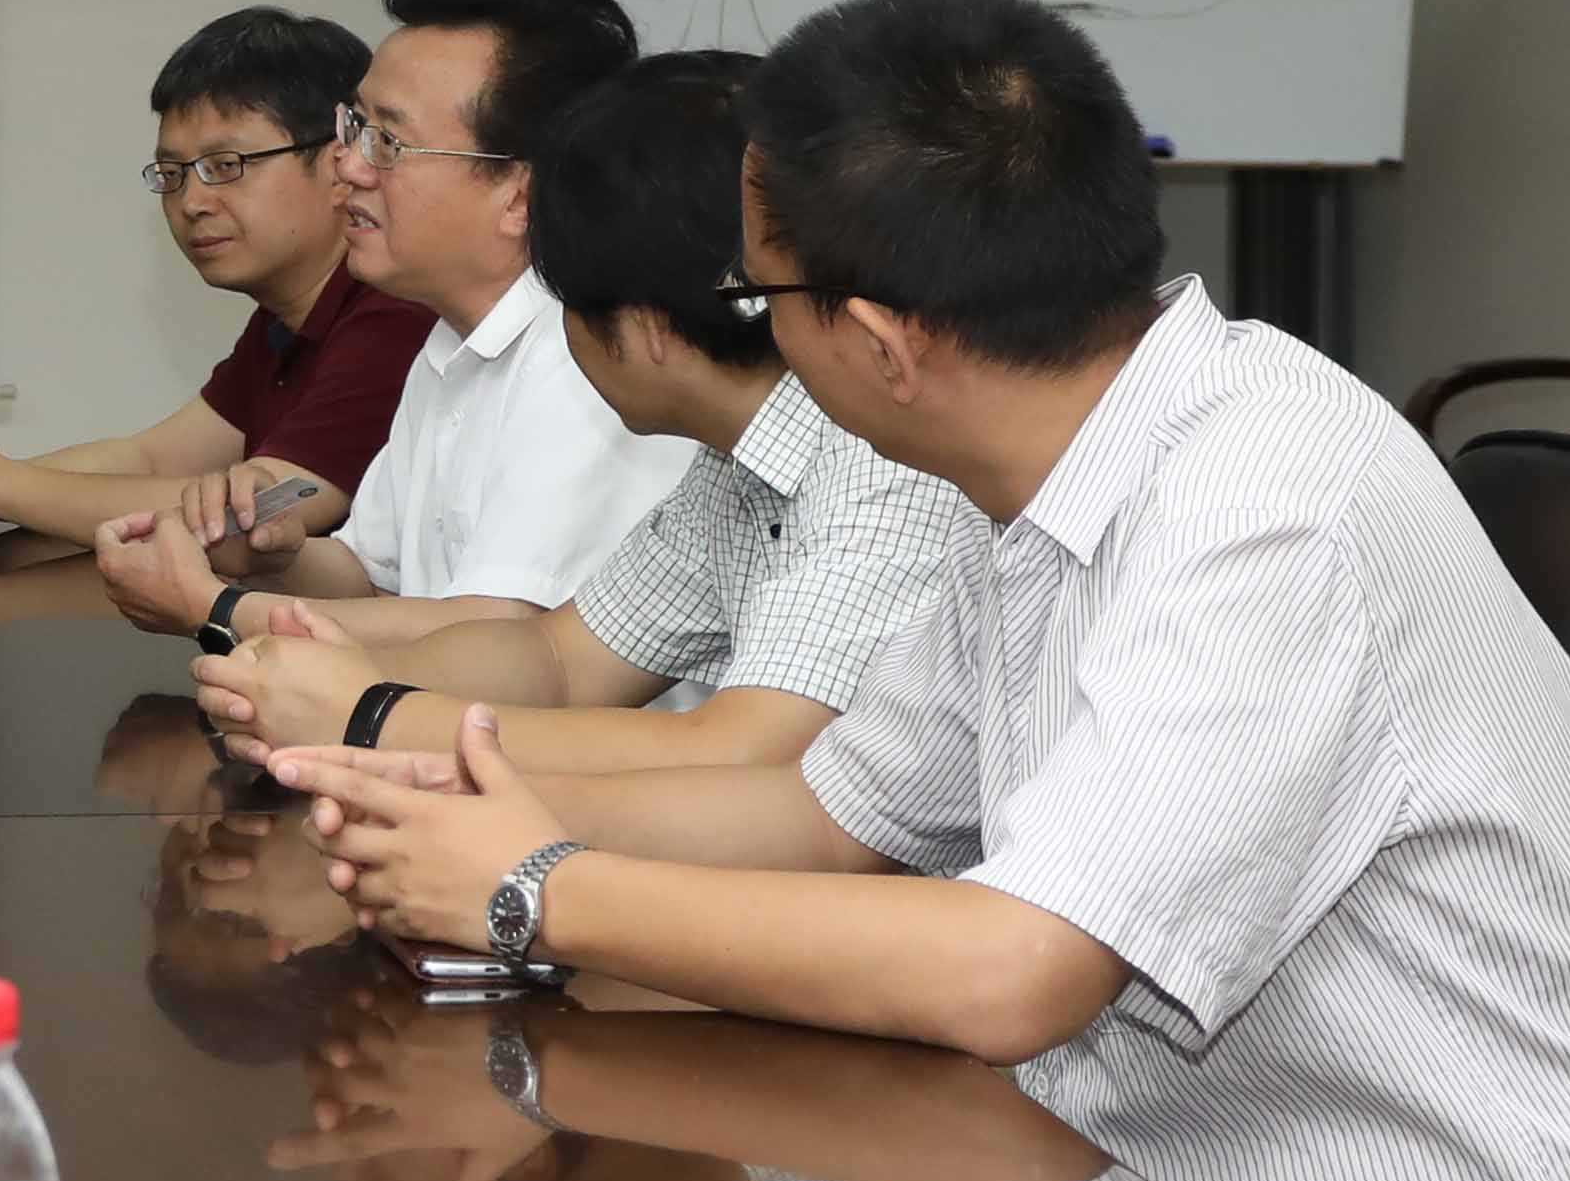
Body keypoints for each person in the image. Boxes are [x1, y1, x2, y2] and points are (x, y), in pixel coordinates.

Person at [272, 0, 1570, 1181]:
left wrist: (539, 888)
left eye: (763, 296)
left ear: (880, 342)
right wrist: (452, 811)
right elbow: (830, 818)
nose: (755, 335)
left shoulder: (1262, 505)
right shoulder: (1047, 473)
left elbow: (1011, 971)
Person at [185, 51, 982, 783]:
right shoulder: (733, 465)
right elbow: (560, 660)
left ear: (646, 327)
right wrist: (340, 673)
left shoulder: (883, 468)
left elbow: (738, 755)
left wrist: (368, 715)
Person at [93, 0, 681, 628]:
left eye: (387, 143)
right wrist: (267, 558)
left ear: (520, 196)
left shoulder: (590, 364)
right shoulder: (449, 340)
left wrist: (213, 606)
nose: (346, 166)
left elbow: (496, 637)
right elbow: (371, 578)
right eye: (354, 128)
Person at [0, 5, 427, 542]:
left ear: (340, 164)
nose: (192, 202)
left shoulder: (397, 312)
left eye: (225, 166)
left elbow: (267, 508)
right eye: (172, 172)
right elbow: (152, 457)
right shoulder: (286, 321)